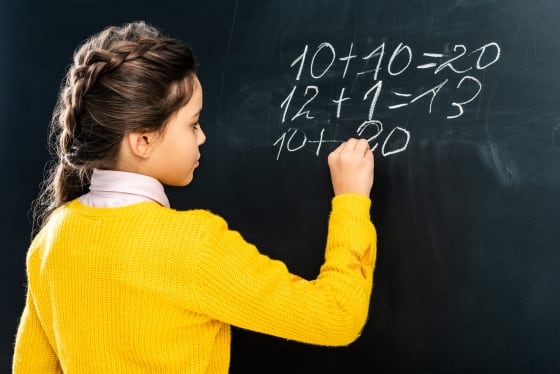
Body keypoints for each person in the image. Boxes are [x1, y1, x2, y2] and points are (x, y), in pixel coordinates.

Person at [13, 21, 377, 373]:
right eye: (192, 123)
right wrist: (351, 202)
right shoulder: (193, 246)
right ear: (142, 140)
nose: (201, 137)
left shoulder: (50, 241)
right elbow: (337, 317)